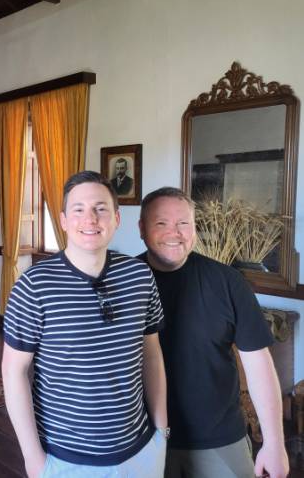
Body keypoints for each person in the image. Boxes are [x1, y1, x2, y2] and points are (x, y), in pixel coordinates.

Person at [2, 171, 168, 478]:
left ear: (116, 218)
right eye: (78, 209)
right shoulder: (34, 286)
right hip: (66, 458)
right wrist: (32, 458)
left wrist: (162, 431)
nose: (90, 219)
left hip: (141, 451)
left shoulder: (140, 276)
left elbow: (152, 355)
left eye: (100, 208)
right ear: (64, 221)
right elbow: (14, 372)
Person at [138, 186, 289, 478]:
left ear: (194, 228)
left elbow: (258, 364)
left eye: (183, 223)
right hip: (143, 439)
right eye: (161, 223)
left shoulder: (228, 281)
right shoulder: (124, 282)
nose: (174, 233)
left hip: (221, 439)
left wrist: (274, 443)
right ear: (142, 228)